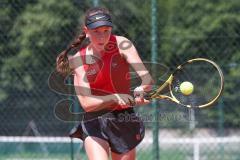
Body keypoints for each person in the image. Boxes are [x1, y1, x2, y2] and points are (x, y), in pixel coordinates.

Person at [56, 7, 153, 160]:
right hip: (94, 119)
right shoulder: (78, 60)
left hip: (124, 118)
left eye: (106, 30)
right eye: (96, 31)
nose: (102, 37)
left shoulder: (122, 44)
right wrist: (114, 97)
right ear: (86, 31)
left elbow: (147, 79)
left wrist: (141, 89)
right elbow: (87, 103)